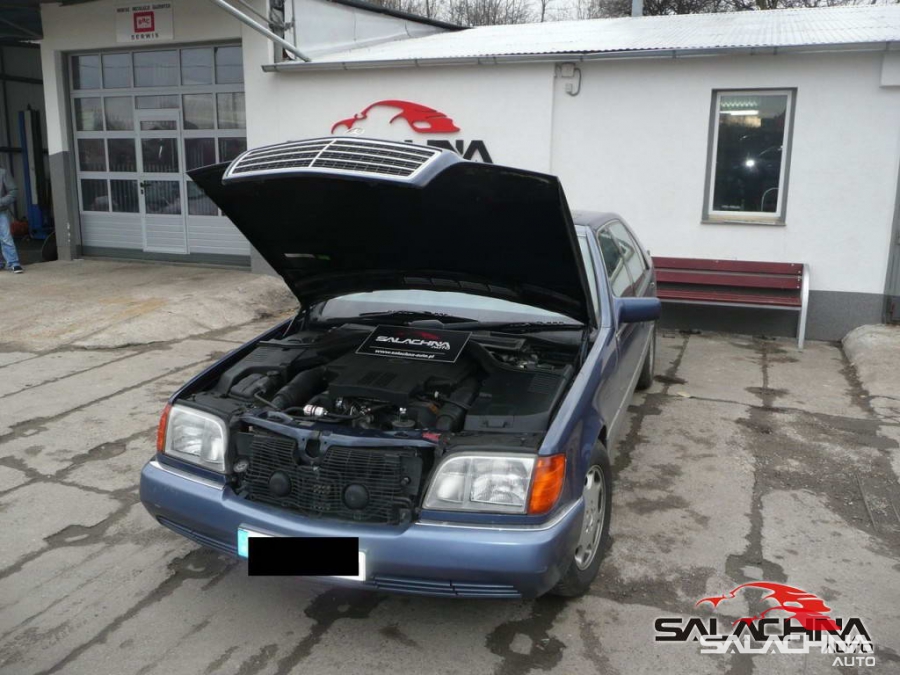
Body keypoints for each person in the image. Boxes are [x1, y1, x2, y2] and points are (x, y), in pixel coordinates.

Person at [0, 166, 22, 274]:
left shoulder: (2, 173)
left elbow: (13, 191)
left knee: (6, 238)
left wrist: (1, 202)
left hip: (0, 212)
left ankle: (13, 263)